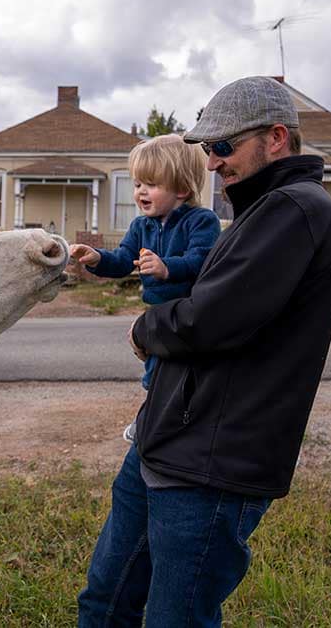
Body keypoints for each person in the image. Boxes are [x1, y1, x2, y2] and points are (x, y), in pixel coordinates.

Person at [76, 76, 331, 627]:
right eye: (205, 148)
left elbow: (211, 319)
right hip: (165, 438)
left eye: (222, 146)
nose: (212, 162)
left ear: (275, 138)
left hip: (213, 462)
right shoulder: (257, 211)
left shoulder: (296, 210)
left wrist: (143, 329)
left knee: (174, 618)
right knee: (104, 600)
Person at [69, 134, 220, 443]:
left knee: (185, 372)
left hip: (190, 311)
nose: (140, 192)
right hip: (156, 313)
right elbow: (124, 260)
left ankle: (177, 421)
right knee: (155, 371)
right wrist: (97, 258)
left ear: (181, 188)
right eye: (137, 184)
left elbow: (200, 259)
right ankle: (154, 418)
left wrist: (166, 267)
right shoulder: (141, 227)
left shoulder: (201, 221)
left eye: (150, 184)